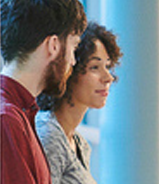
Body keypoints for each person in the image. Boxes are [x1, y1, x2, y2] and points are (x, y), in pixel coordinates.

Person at [0, 0, 87, 184]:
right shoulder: (9, 121)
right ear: (54, 45)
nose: (73, 61)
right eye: (73, 48)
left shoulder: (19, 115)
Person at [36, 22, 123, 184]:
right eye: (95, 67)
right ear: (68, 70)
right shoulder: (49, 135)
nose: (108, 78)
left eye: (107, 66)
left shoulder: (80, 144)